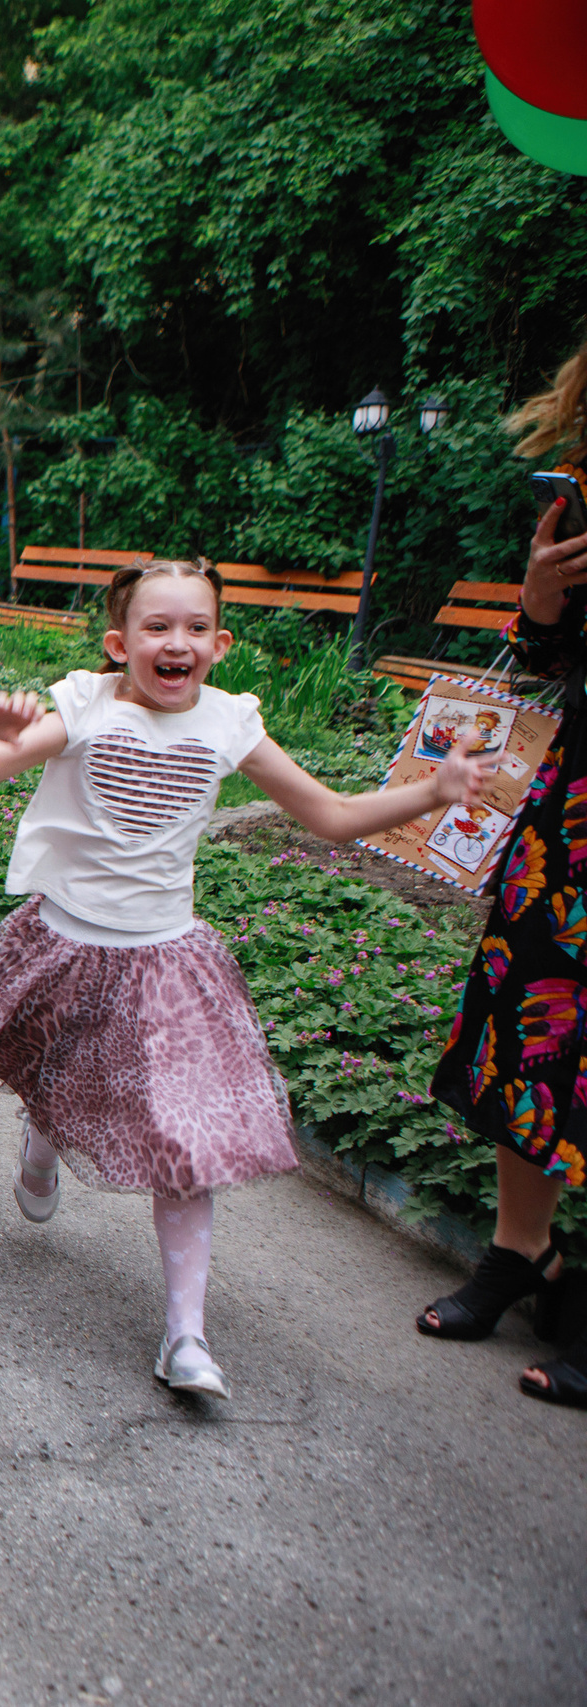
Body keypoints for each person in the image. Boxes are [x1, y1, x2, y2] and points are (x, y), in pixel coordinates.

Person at [0, 560, 487, 1399]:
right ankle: (42, 1142)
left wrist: (432, 791)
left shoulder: (228, 722)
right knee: (53, 1072)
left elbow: (329, 815)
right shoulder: (84, 705)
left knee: (183, 1140)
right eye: (156, 626)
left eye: (194, 627)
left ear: (219, 643)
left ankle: (186, 1334)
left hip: (167, 959)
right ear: (120, 643)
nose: (175, 641)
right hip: (64, 941)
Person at [422, 352, 587, 1406]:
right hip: (575, 814)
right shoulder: (581, 490)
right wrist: (538, 595)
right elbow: (544, 661)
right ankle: (521, 1252)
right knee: (529, 1018)